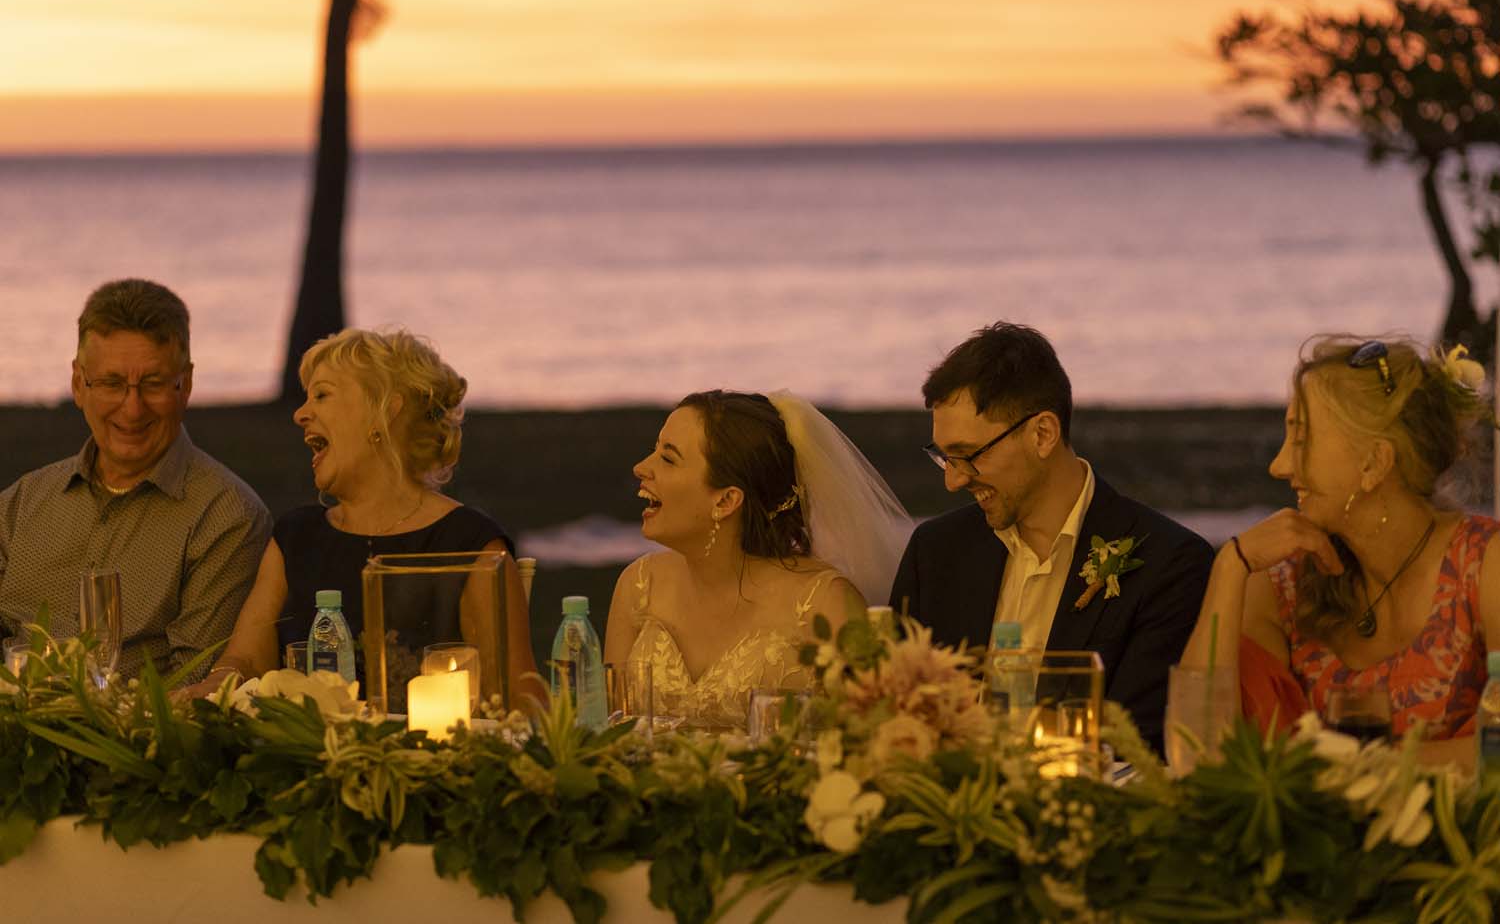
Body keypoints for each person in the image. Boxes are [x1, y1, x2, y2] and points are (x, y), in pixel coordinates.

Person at [892, 322, 1213, 754]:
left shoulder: (1168, 564)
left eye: (967, 455)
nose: (952, 481)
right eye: (944, 457)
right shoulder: (935, 554)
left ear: (1042, 433)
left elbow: (1132, 744)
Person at [1181, 336, 1498, 764]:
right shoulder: (1281, 584)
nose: (1279, 466)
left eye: (1301, 438)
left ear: (1372, 464)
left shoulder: (1482, 567)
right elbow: (1199, 752)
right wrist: (1229, 567)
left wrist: (1352, 767)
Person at [192, 328, 538, 707]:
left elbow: (518, 697)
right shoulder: (295, 537)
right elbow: (244, 661)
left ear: (385, 410)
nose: (300, 414)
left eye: (322, 395)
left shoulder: (471, 546)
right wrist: (199, 695)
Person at [0, 279, 271, 679]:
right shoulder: (21, 504)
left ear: (186, 384)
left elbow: (194, 695)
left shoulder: (227, 517)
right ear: (78, 383)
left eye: (153, 383)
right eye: (111, 383)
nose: (132, 409)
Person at [603, 389, 912, 729]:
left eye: (668, 458)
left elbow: (869, 740)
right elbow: (612, 730)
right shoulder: (639, 585)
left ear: (726, 500)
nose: (640, 467)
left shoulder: (826, 603)